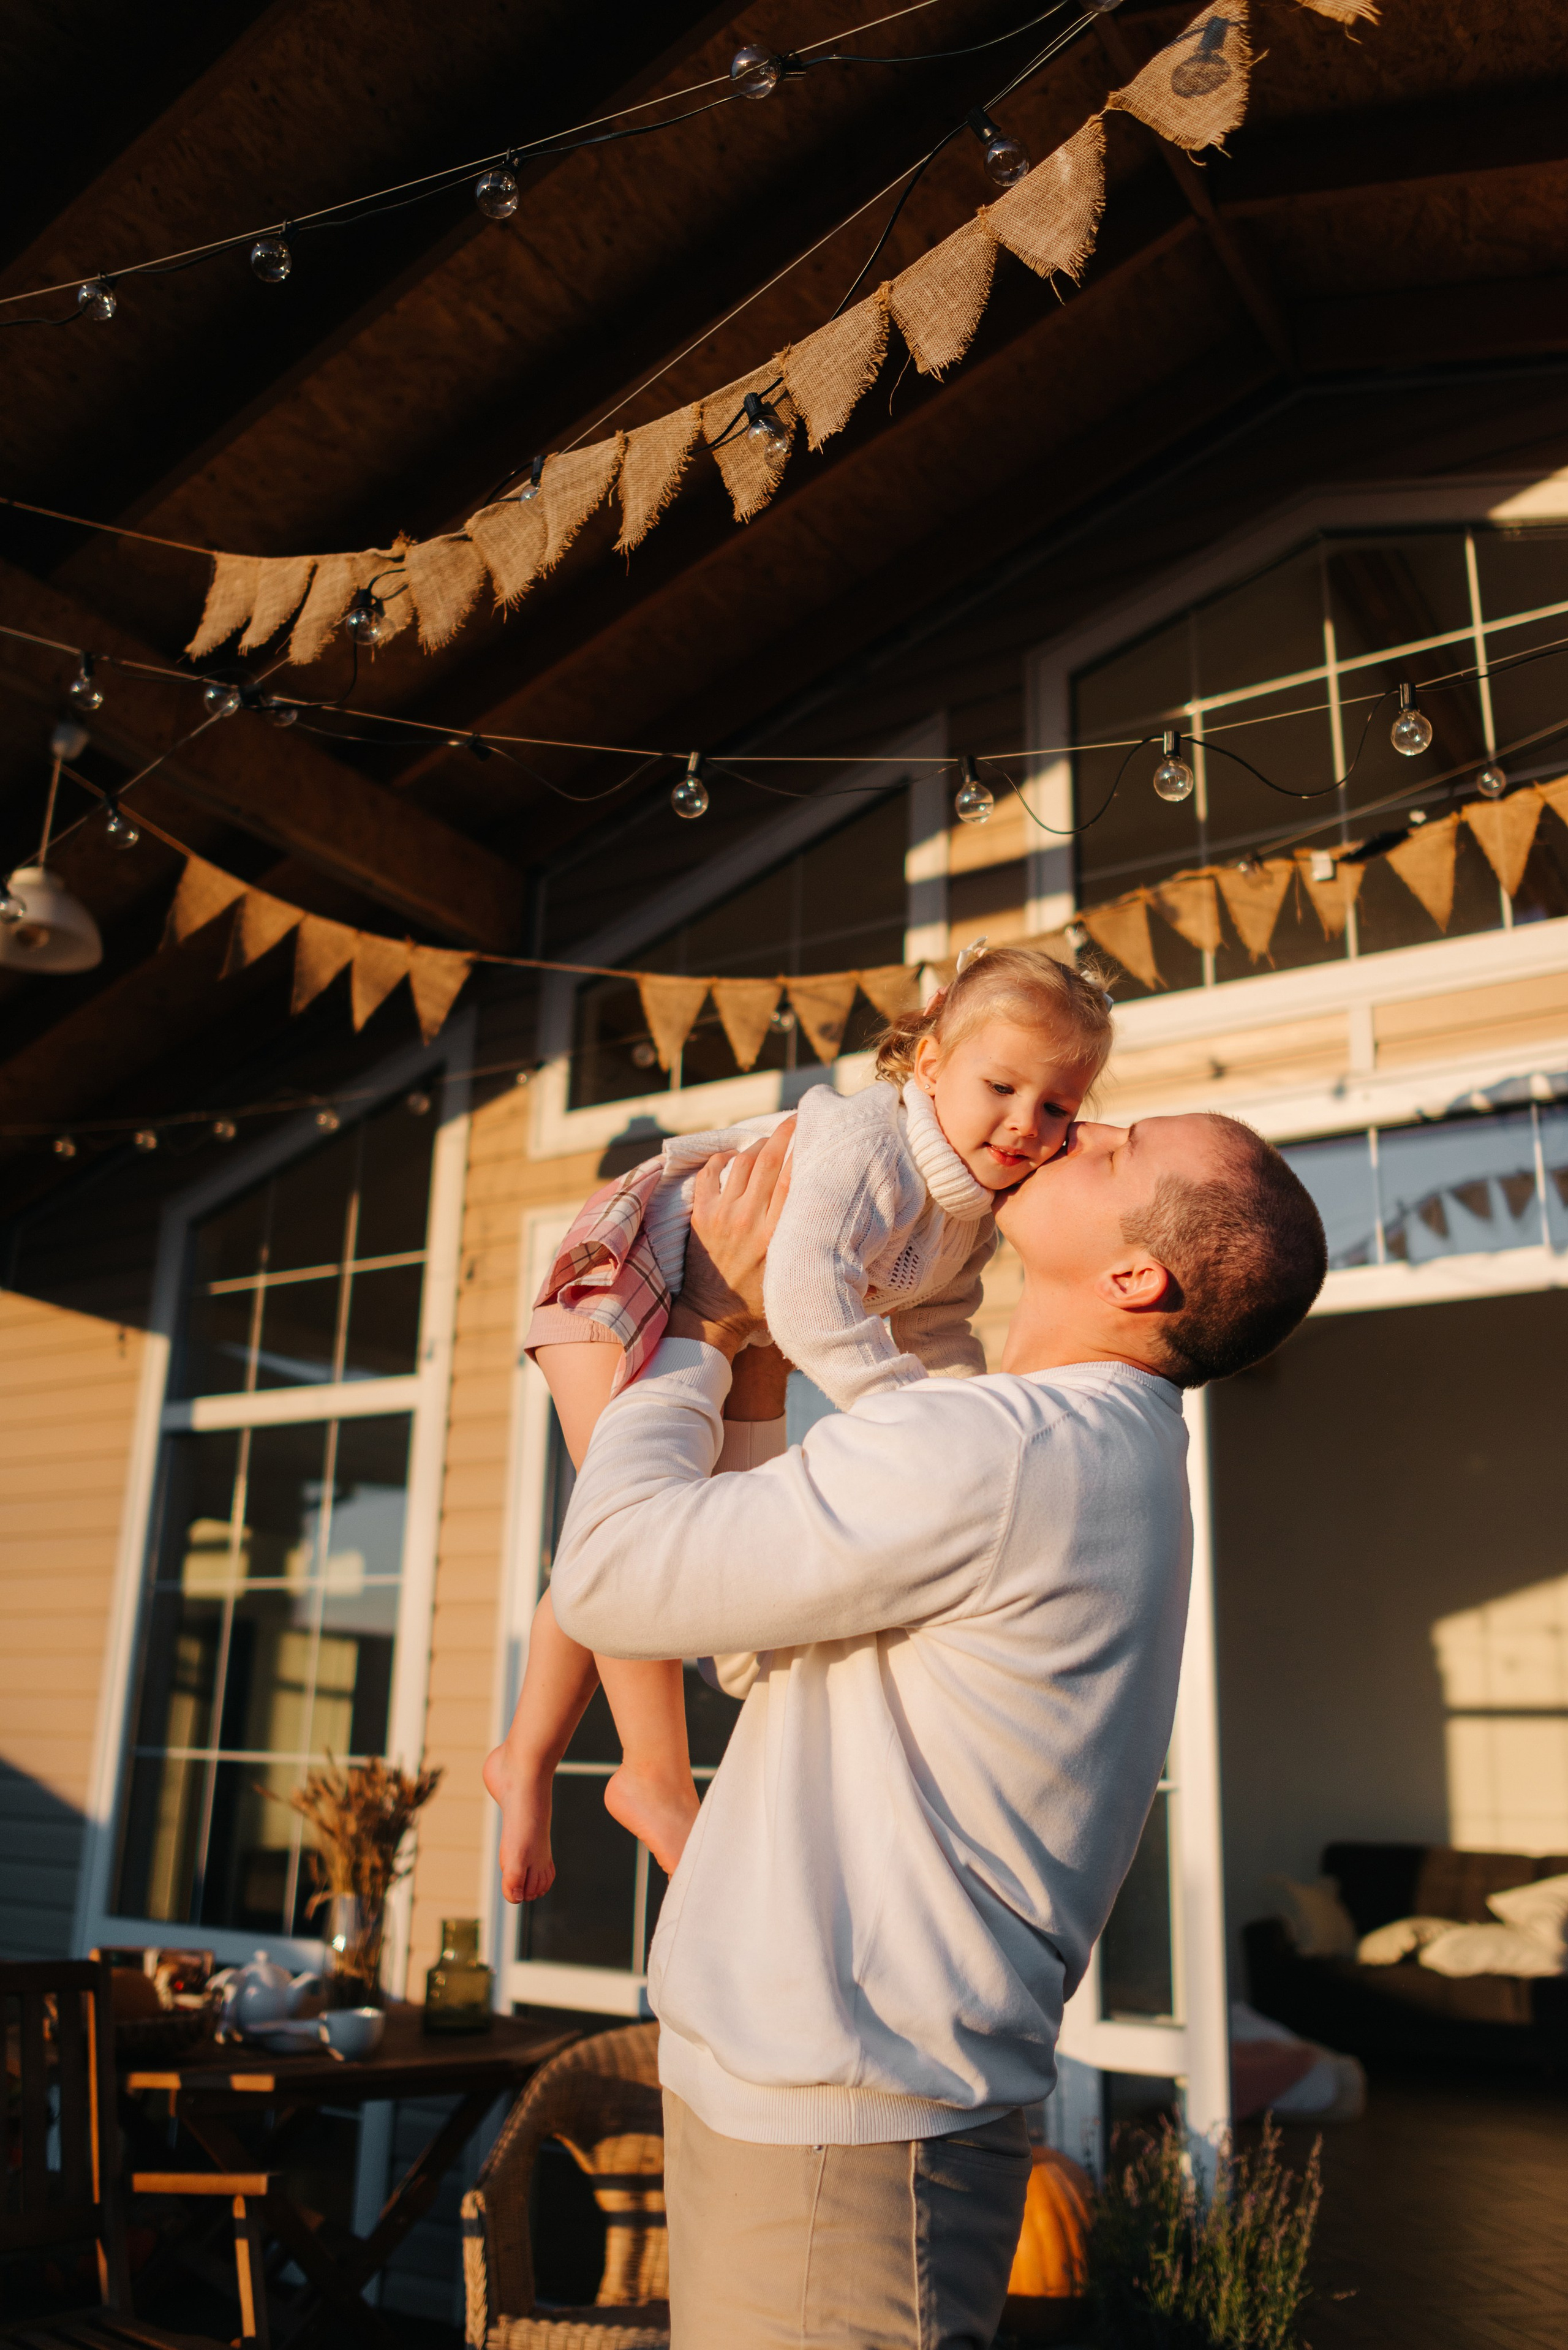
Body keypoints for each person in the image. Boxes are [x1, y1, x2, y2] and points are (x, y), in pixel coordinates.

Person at [545, 1109, 1326, 2349]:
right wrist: (753, 1364)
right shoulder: (1073, 1449)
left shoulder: (1007, 1450)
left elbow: (610, 1582)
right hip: (816, 2100)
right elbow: (753, 1645)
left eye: (1120, 1149)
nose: (1083, 1124)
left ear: (1137, 1276)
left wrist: (695, 1323)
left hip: (838, 2126)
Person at [484, 946, 1114, 1899]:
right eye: (1002, 1086)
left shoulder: (973, 1209)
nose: (1028, 1123)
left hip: (709, 1300)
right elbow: (808, 1297)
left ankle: (524, 1757)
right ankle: (654, 1773)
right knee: (638, 1530)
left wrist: (959, 1428)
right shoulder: (873, 1148)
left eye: (1059, 1105)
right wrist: (902, 1416)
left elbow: (938, 1325)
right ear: (932, 1063)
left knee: (609, 1536)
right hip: (629, 1270)